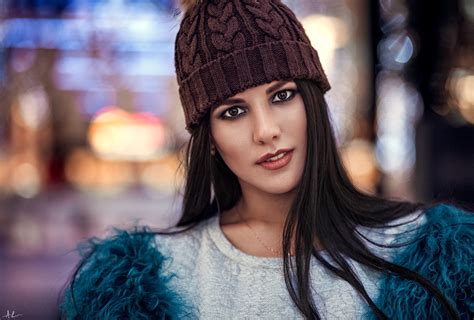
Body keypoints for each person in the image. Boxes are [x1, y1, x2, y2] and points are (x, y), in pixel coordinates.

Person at [59, 0, 473, 319]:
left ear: (312, 100)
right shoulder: (149, 283)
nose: (265, 130)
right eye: (233, 112)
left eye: (281, 96)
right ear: (211, 139)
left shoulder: (428, 255)